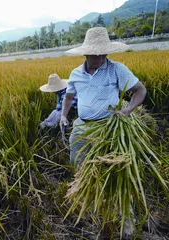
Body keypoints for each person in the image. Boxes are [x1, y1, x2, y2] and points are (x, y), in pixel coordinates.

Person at [60, 27, 147, 239]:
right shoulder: (75, 74)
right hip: (82, 126)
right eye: (95, 52)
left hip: (110, 128)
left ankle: (127, 216)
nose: (100, 56)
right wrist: (63, 115)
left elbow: (140, 90)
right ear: (85, 53)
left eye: (103, 52)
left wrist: (127, 110)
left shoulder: (117, 69)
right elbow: (69, 97)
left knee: (118, 171)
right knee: (79, 165)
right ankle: (91, 202)